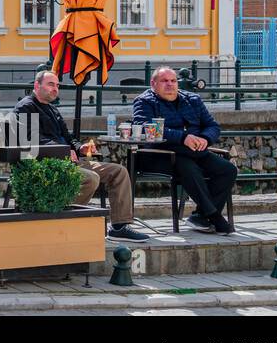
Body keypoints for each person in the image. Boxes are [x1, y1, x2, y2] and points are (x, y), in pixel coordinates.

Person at [13, 70, 148, 242]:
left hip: (67, 162)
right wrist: (62, 149)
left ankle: (119, 226)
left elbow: (69, 139)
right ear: (36, 85)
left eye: (57, 85)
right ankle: (64, 221)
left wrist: (80, 147)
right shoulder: (25, 107)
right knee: (90, 178)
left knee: (119, 171)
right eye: (50, 84)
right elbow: (32, 140)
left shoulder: (52, 109)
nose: (55, 89)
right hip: (44, 165)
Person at [133, 65, 237, 235]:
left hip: (195, 151)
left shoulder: (192, 99)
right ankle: (215, 217)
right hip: (158, 154)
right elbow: (143, 127)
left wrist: (205, 139)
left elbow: (212, 126)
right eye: (164, 81)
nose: (170, 85)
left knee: (227, 170)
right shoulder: (144, 101)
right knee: (188, 167)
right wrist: (183, 137)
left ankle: (201, 216)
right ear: (153, 84)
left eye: (173, 81)